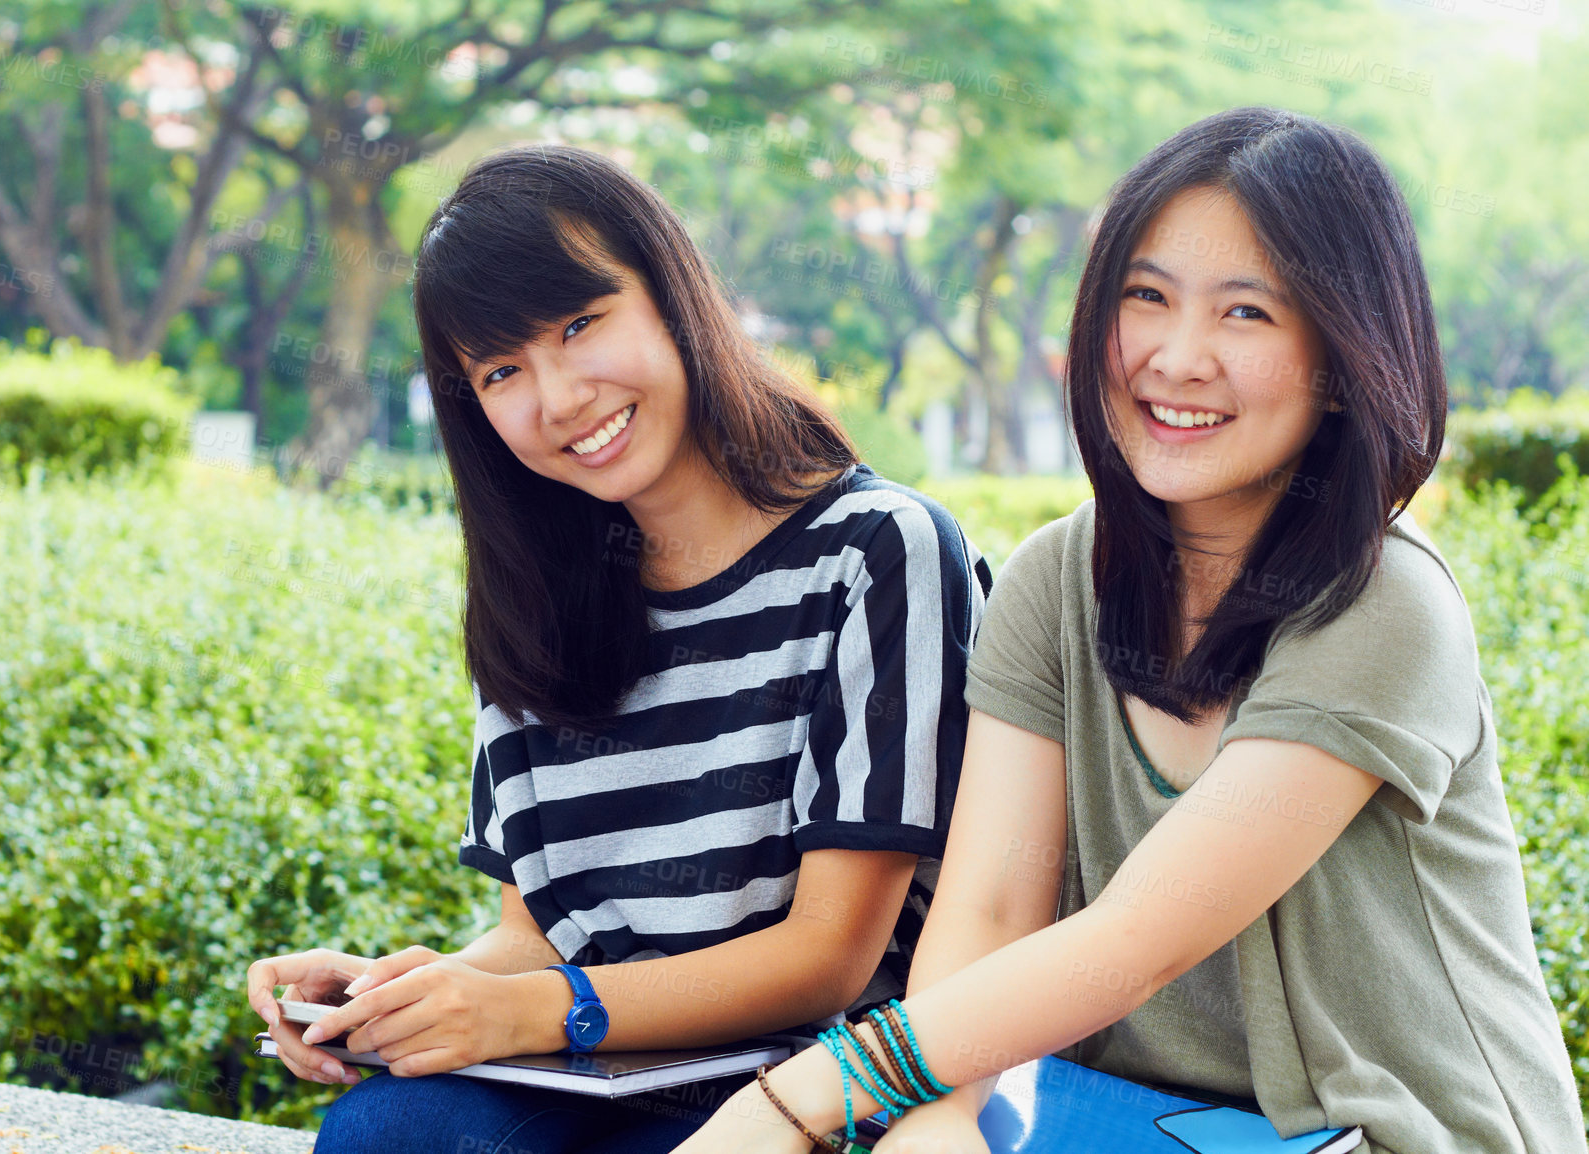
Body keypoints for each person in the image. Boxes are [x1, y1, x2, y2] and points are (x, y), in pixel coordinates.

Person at [671, 107, 1588, 1154]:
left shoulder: (1384, 603)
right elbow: (994, 903)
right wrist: (941, 1113)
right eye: (1144, 296)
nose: (1177, 356)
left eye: (1245, 313)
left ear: (1340, 358)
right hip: (1114, 1124)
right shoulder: (1055, 578)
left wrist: (794, 1098)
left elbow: (1131, 944)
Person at [245, 142, 993, 1154]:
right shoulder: (533, 603)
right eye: (503, 370)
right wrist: (402, 993)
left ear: (671, 294)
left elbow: (828, 956)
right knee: (391, 1129)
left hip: (814, 1087)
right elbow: (535, 933)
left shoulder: (875, 551)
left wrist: (539, 1008)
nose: (558, 399)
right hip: (601, 1069)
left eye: (580, 325)